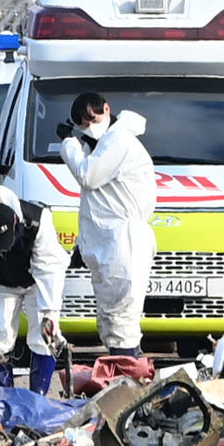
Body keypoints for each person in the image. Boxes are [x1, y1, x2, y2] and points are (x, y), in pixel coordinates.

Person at [57, 92, 156, 356]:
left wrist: (69, 145)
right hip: (109, 242)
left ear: (107, 109)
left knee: (122, 320)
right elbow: (96, 204)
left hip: (123, 242)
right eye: (84, 123)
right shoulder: (103, 145)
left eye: (93, 117)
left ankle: (128, 381)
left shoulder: (119, 140)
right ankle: (122, 378)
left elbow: (88, 176)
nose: (90, 125)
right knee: (111, 320)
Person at [0, 185, 70, 394]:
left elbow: (49, 267)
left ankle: (38, 399)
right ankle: (4, 399)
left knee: (44, 336)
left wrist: (50, 312)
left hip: (36, 282)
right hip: (0, 282)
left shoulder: (37, 220)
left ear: (15, 222)